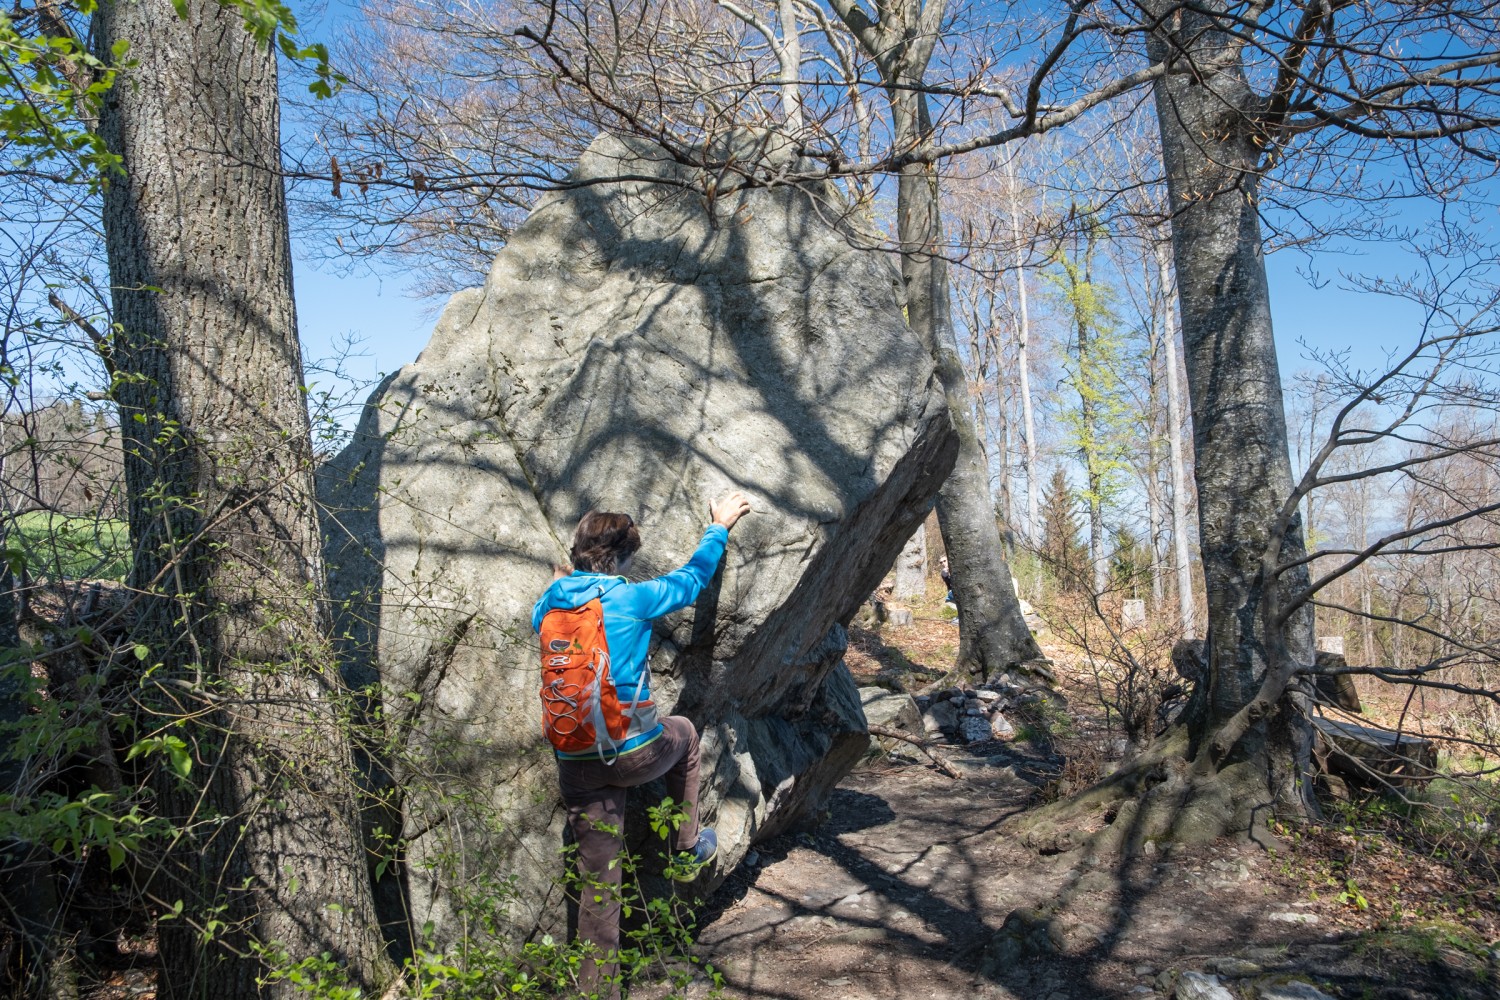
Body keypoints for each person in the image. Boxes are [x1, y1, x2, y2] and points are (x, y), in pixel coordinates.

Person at [531, 490, 752, 1000]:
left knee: (599, 890)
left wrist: (562, 586)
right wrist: (718, 526)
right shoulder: (629, 597)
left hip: (577, 763)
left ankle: (597, 992)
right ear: (624, 556)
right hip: (636, 753)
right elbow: (692, 580)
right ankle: (686, 846)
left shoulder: (548, 603)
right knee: (687, 735)